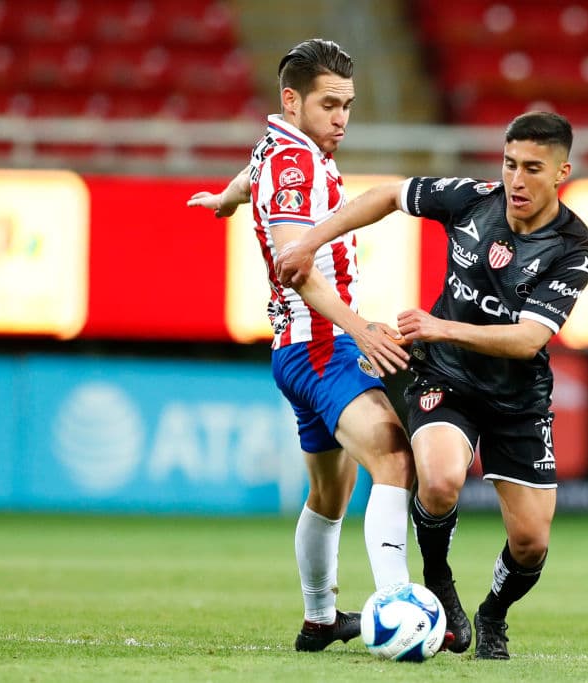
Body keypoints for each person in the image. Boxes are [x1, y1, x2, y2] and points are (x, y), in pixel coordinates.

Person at [274, 111, 588, 660]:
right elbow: (385, 196)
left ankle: (492, 614)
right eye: (510, 163)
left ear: (561, 172)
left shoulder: (573, 245)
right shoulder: (472, 199)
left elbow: (528, 339)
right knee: (440, 479)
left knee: (531, 542)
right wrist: (308, 242)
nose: (517, 180)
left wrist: (439, 325)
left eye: (533, 169)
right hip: (445, 375)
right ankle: (437, 579)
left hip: (518, 399)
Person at [186, 39, 414, 652]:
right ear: (293, 101)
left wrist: (226, 201)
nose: (342, 117)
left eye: (349, 105)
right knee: (395, 458)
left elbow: (249, 171)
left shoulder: (281, 146)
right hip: (321, 343)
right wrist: (359, 326)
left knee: (330, 492)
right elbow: (295, 263)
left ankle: (320, 619)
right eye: (329, 104)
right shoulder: (298, 164)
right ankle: (401, 609)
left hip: (294, 348)